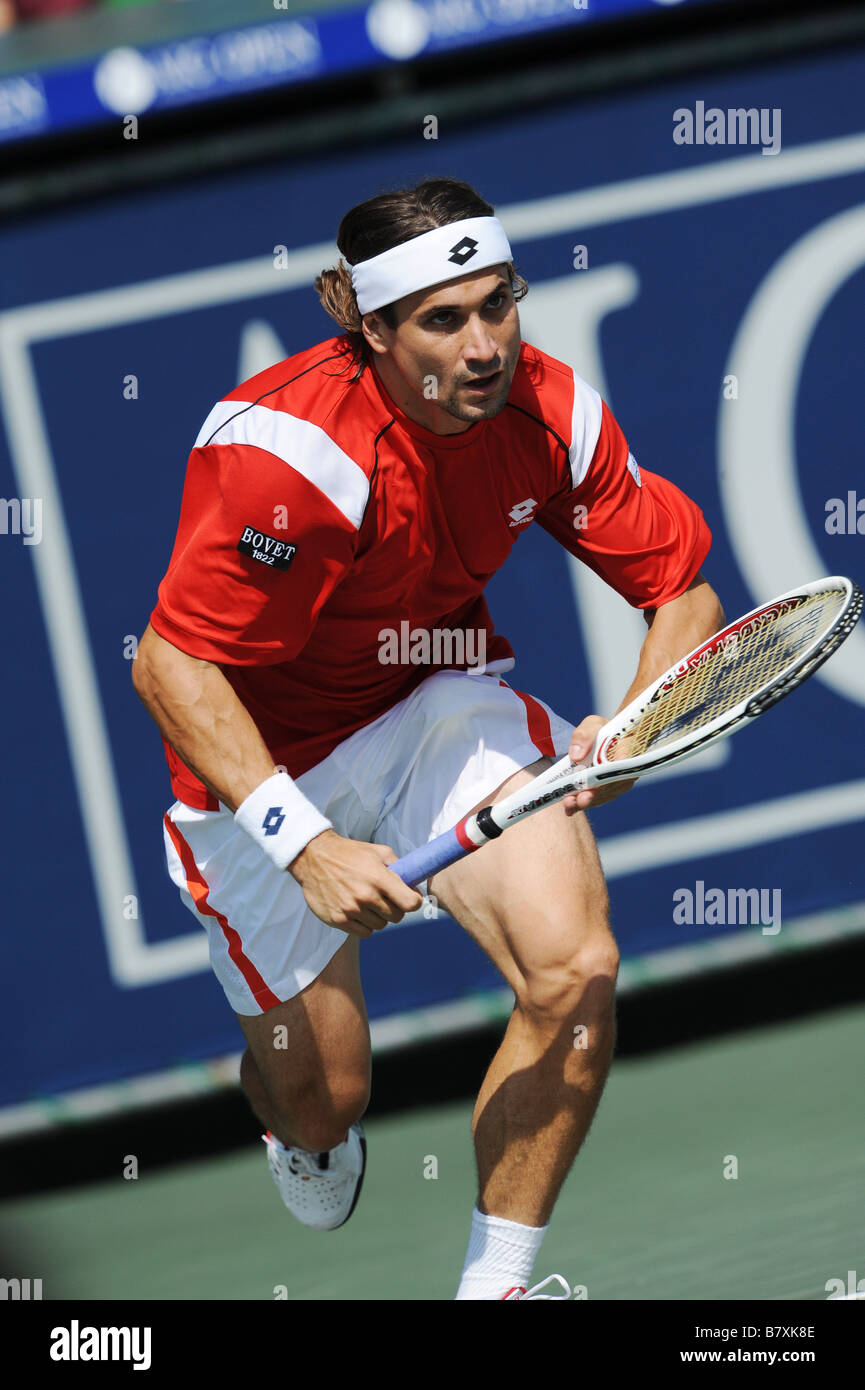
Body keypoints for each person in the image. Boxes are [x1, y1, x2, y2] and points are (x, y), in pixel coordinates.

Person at [132, 175, 723, 1300]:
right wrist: (301, 841)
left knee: (576, 963)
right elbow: (169, 663)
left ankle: (494, 1288)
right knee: (326, 1093)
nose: (488, 344)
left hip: (434, 706)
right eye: (446, 320)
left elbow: (682, 590)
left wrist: (642, 721)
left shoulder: (549, 410)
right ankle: (297, 1127)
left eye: (500, 304)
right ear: (368, 325)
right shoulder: (290, 457)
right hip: (259, 763)